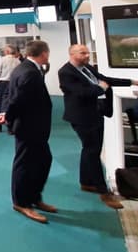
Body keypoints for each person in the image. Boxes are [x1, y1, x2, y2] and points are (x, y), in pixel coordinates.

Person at [57, 44, 138, 210]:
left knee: (89, 149)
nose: (87, 55)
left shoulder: (87, 68)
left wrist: (132, 82)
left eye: (87, 52)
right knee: (93, 151)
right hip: (81, 117)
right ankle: (103, 191)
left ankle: (86, 182)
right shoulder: (65, 72)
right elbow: (83, 93)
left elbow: (105, 80)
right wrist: (100, 87)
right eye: (83, 52)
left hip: (96, 113)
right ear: (72, 54)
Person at [0, 40, 55, 224]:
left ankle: (34, 197)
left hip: (33, 126)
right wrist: (8, 116)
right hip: (28, 126)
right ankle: (21, 202)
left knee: (42, 160)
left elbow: (11, 95)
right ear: (44, 53)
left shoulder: (26, 68)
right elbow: (17, 99)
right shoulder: (29, 71)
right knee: (24, 163)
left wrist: (6, 113)